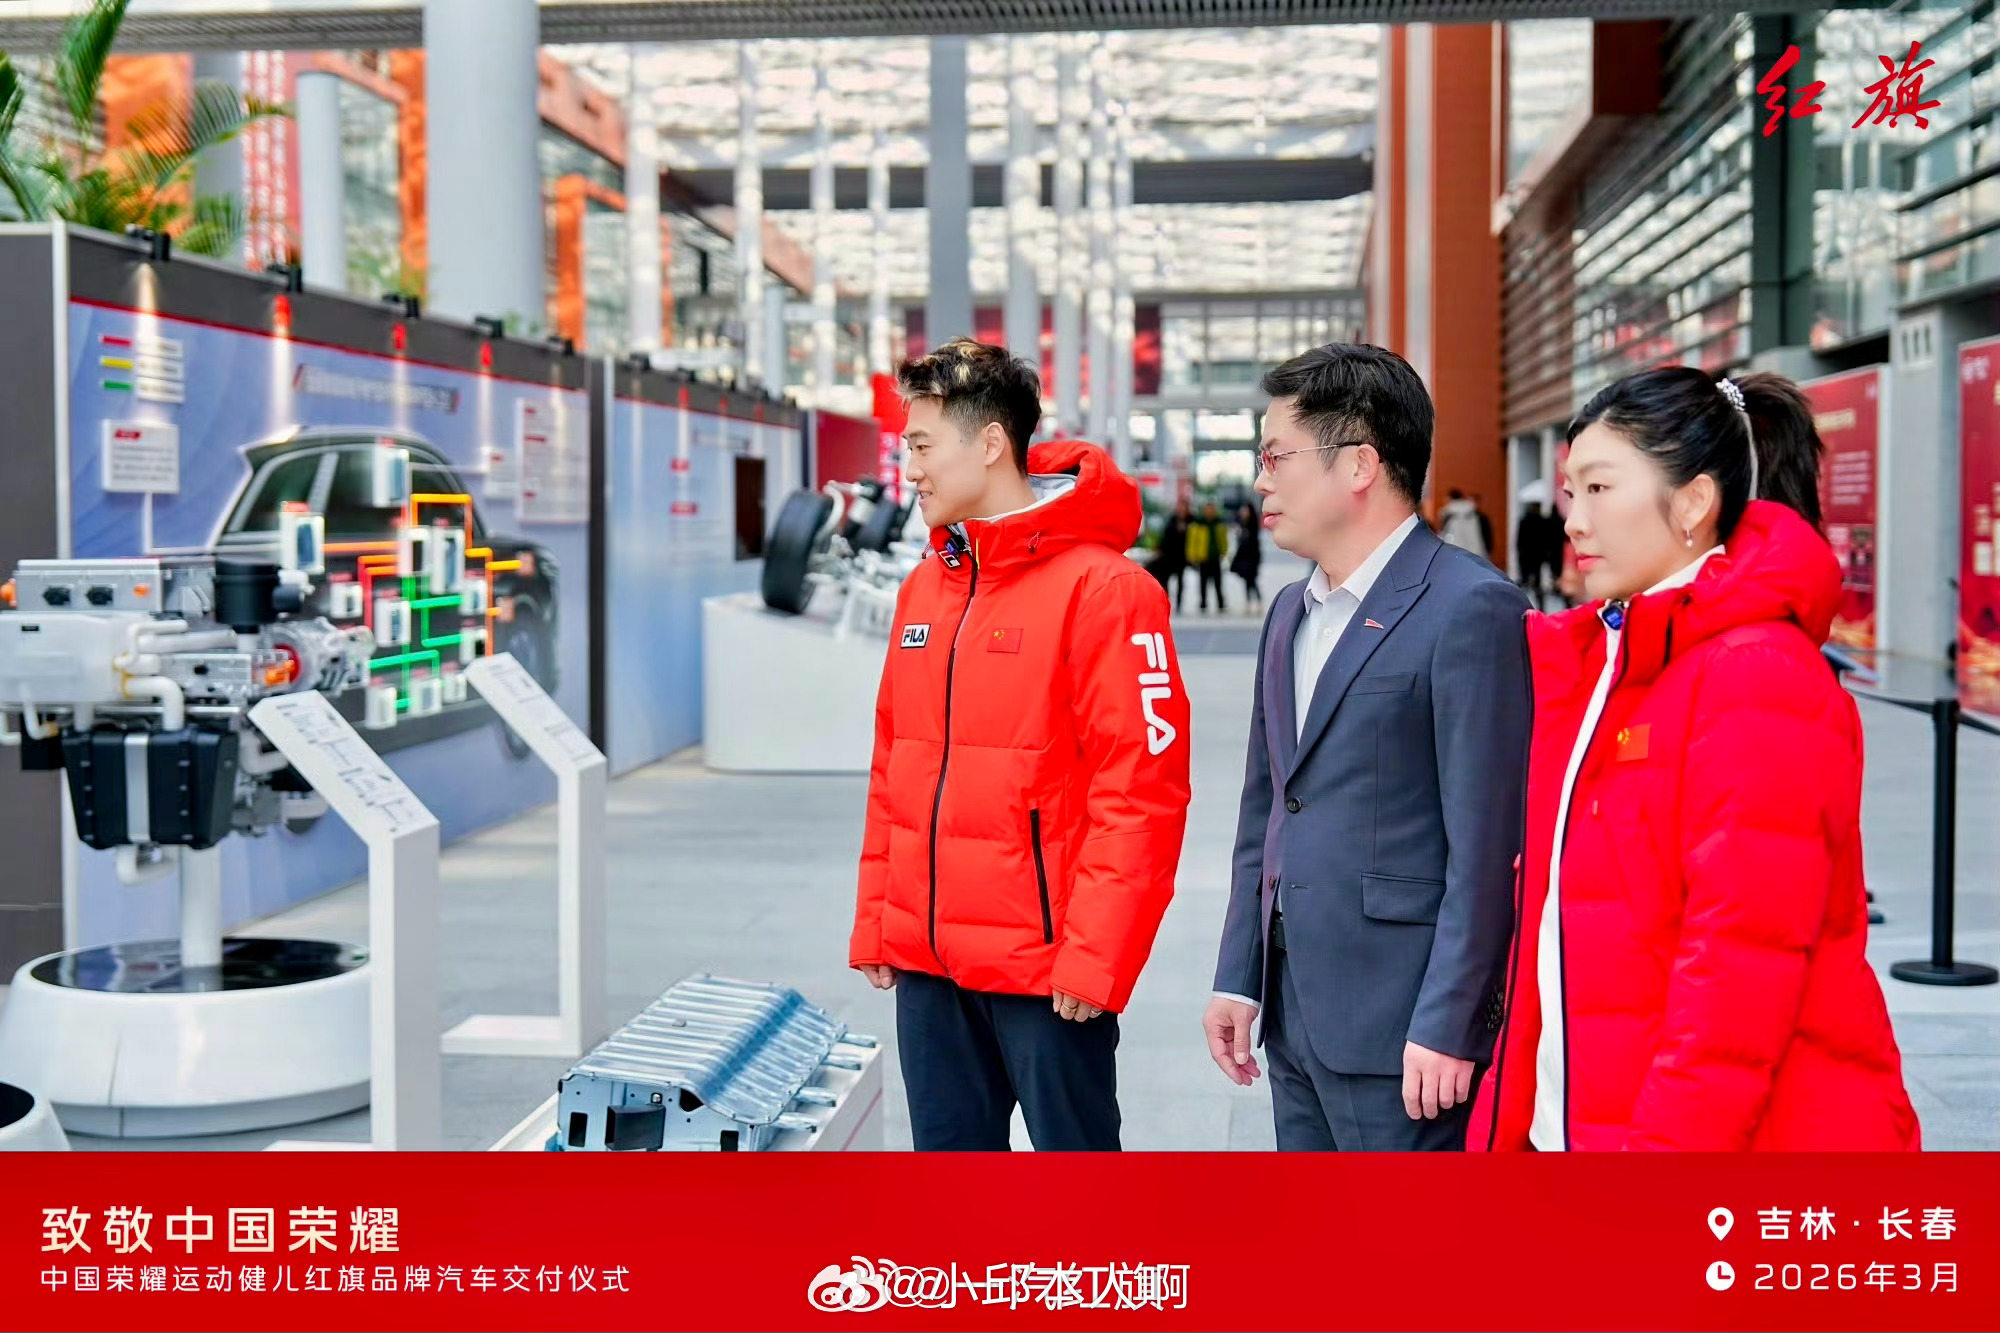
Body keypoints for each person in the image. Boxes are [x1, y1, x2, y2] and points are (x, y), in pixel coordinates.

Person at [1469, 368, 1920, 1151]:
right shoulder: (1619, 655)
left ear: (1692, 503)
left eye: (1599, 486)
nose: (1575, 520)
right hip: (1592, 1119)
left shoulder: (1753, 672)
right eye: (1572, 491)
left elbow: (1737, 977)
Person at [849, 337, 1192, 1152]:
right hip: (930, 968)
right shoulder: (926, 586)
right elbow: (894, 765)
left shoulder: (1107, 590)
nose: (911, 470)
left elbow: (1140, 790)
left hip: (1049, 975)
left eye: (923, 445)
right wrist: (879, 917)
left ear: (991, 443)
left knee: (1077, 1206)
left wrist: (1098, 957)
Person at [1203, 343, 1532, 1151]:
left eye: (1276, 455)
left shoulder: (1471, 608)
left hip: (1405, 1030)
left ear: (1359, 463)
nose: (1261, 481)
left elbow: (1489, 847)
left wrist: (1452, 1020)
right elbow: (1266, 811)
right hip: (1294, 1012)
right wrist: (1240, 975)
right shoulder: (1289, 613)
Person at [1156, 497, 1192, 612]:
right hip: (1170, 555)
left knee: (1181, 580)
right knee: (1165, 578)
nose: (1181, 509)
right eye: (1180, 506)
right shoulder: (1172, 520)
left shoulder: (1191, 520)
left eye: (1184, 506)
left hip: (1182, 555)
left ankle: (1179, 603)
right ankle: (1166, 599)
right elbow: (1165, 536)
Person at [1438, 488, 1489, 561]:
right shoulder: (1472, 510)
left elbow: (1442, 532)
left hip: (1456, 551)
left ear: (1449, 498)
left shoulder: (1448, 512)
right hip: (1475, 551)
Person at [1230, 501, 1263, 610]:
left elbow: (1253, 540)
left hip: (1252, 557)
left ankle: (1257, 600)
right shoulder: (1241, 522)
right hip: (1244, 557)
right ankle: (1249, 601)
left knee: (1252, 580)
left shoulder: (1252, 523)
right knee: (1247, 580)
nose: (1244, 512)